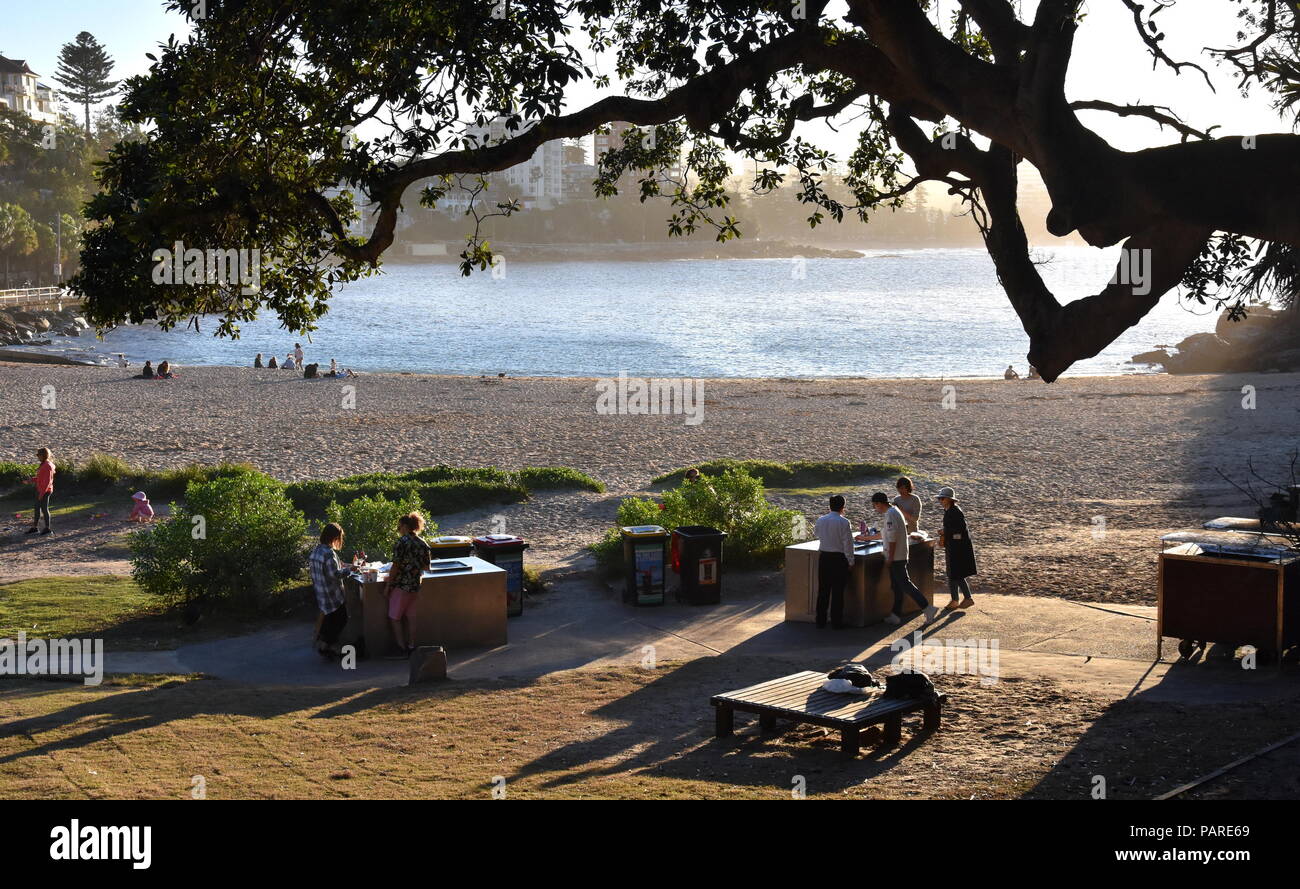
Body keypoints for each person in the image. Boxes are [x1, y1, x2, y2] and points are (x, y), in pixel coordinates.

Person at [864, 492, 937, 626]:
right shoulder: (894, 511)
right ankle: (895, 615)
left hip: (897, 557)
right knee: (896, 586)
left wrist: (890, 557)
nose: (875, 508)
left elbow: (892, 538)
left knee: (905, 584)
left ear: (879, 503)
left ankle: (927, 608)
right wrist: (865, 538)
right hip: (899, 555)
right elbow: (885, 534)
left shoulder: (891, 514)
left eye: (875, 505)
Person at [386, 512, 432, 656]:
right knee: (411, 617)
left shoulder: (402, 542)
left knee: (394, 617)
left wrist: (388, 586)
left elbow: (395, 567)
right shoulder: (423, 543)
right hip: (415, 585)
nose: (398, 531)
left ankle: (401, 648)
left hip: (401, 585)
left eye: (398, 527)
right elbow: (426, 567)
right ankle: (412, 646)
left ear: (405, 527)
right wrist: (413, 565)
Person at [813, 495, 855, 629]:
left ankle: (820, 620)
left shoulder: (821, 520)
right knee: (838, 592)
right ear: (843, 506)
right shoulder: (844, 522)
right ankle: (836, 622)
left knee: (823, 590)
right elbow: (848, 544)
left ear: (829, 506)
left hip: (824, 557)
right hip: (839, 559)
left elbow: (816, 534)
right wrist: (851, 561)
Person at [309, 523, 350, 658]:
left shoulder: (317, 550)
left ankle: (326, 645)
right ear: (334, 537)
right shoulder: (328, 553)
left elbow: (332, 567)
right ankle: (326, 646)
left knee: (329, 621)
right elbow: (335, 574)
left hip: (321, 593)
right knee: (341, 619)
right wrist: (350, 570)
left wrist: (347, 565)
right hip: (332, 595)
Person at [937, 486, 977, 610]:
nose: (940, 501)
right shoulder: (951, 511)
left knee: (955, 574)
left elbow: (959, 531)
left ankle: (964, 598)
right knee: (953, 574)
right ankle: (956, 599)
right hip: (954, 546)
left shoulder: (954, 512)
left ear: (949, 499)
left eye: (942, 498)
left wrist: (945, 532)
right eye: (940, 498)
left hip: (957, 547)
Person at [24, 447, 55, 535]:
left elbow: (47, 482)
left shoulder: (47, 466)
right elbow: (41, 478)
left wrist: (42, 493)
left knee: (44, 509)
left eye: (38, 455)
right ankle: (35, 528)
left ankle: (47, 529)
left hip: (45, 491)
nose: (37, 456)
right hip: (41, 489)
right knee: (37, 508)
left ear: (43, 455)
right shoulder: (44, 464)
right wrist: (31, 480)